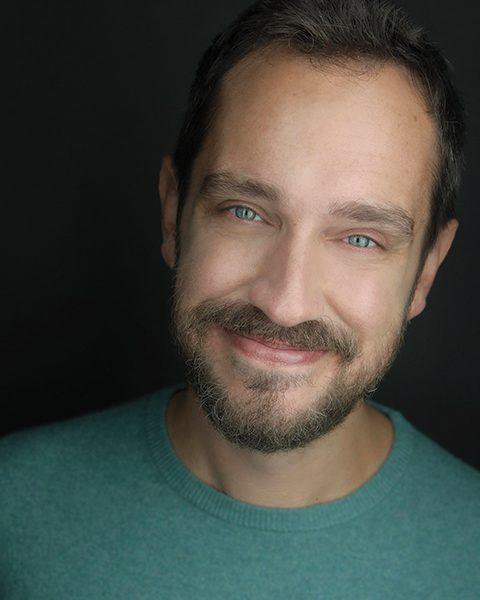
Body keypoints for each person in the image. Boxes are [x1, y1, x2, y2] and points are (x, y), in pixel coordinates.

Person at [2, 0, 479, 597]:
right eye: (245, 212)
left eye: (360, 238)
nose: (284, 303)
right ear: (173, 212)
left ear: (427, 270)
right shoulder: (12, 516)